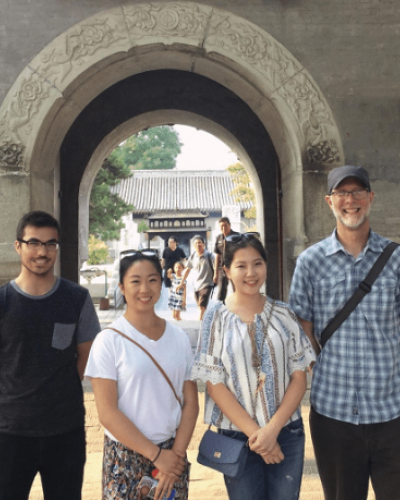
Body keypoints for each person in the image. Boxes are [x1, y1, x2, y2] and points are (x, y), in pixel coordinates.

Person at [289, 165, 400, 500]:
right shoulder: (310, 262)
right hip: (333, 413)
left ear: (370, 198)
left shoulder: (395, 259)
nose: (350, 200)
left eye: (357, 192)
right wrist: (319, 367)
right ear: (329, 201)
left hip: (392, 411)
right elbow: (302, 327)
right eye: (342, 193)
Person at [191, 232, 315, 500]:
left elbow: (299, 378)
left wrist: (271, 432)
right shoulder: (215, 318)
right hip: (236, 437)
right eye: (241, 265)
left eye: (257, 263)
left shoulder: (285, 314)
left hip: (286, 433)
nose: (251, 272)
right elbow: (214, 385)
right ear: (226, 270)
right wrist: (258, 437)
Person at [0, 210, 100, 500]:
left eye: (50, 244)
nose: (42, 252)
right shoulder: (3, 302)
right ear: (18, 246)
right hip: (10, 432)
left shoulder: (76, 299)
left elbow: (86, 358)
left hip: (65, 430)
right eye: (34, 242)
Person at [85, 250, 199, 500]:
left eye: (152, 279)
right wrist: (158, 456)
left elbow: (190, 402)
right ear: (122, 287)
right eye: (135, 281)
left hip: (172, 453)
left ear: (161, 283)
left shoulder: (179, 338)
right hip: (125, 457)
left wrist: (174, 457)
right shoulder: (108, 340)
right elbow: (107, 413)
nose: (144, 288)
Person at [177, 235, 214, 321]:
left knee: (201, 307)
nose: (198, 245)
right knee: (201, 307)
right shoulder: (193, 256)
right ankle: (207, 321)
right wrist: (181, 283)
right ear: (193, 246)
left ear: (203, 244)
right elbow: (187, 269)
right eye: (196, 243)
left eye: (199, 243)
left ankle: (199, 325)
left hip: (207, 284)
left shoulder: (209, 256)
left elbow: (216, 268)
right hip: (196, 286)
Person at [213, 217, 239, 302]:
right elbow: (217, 255)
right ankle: (221, 311)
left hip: (235, 268)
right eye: (221, 226)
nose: (223, 228)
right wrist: (215, 273)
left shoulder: (237, 237)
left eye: (225, 226)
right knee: (221, 293)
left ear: (230, 225)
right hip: (222, 269)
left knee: (238, 291)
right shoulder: (218, 238)